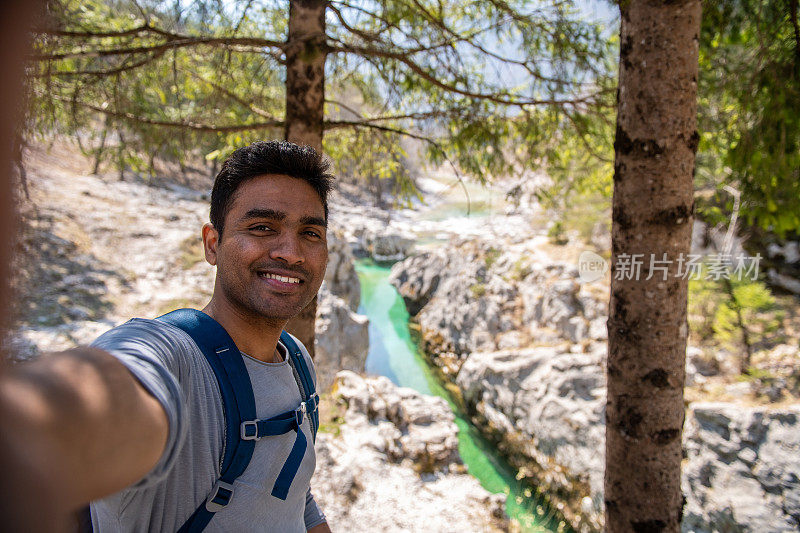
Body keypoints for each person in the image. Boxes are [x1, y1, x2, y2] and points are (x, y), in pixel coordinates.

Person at [0, 140, 334, 532]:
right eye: (263, 227)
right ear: (213, 244)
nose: (291, 252)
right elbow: (114, 389)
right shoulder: (174, 359)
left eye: (310, 233)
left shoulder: (297, 361)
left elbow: (296, 497)